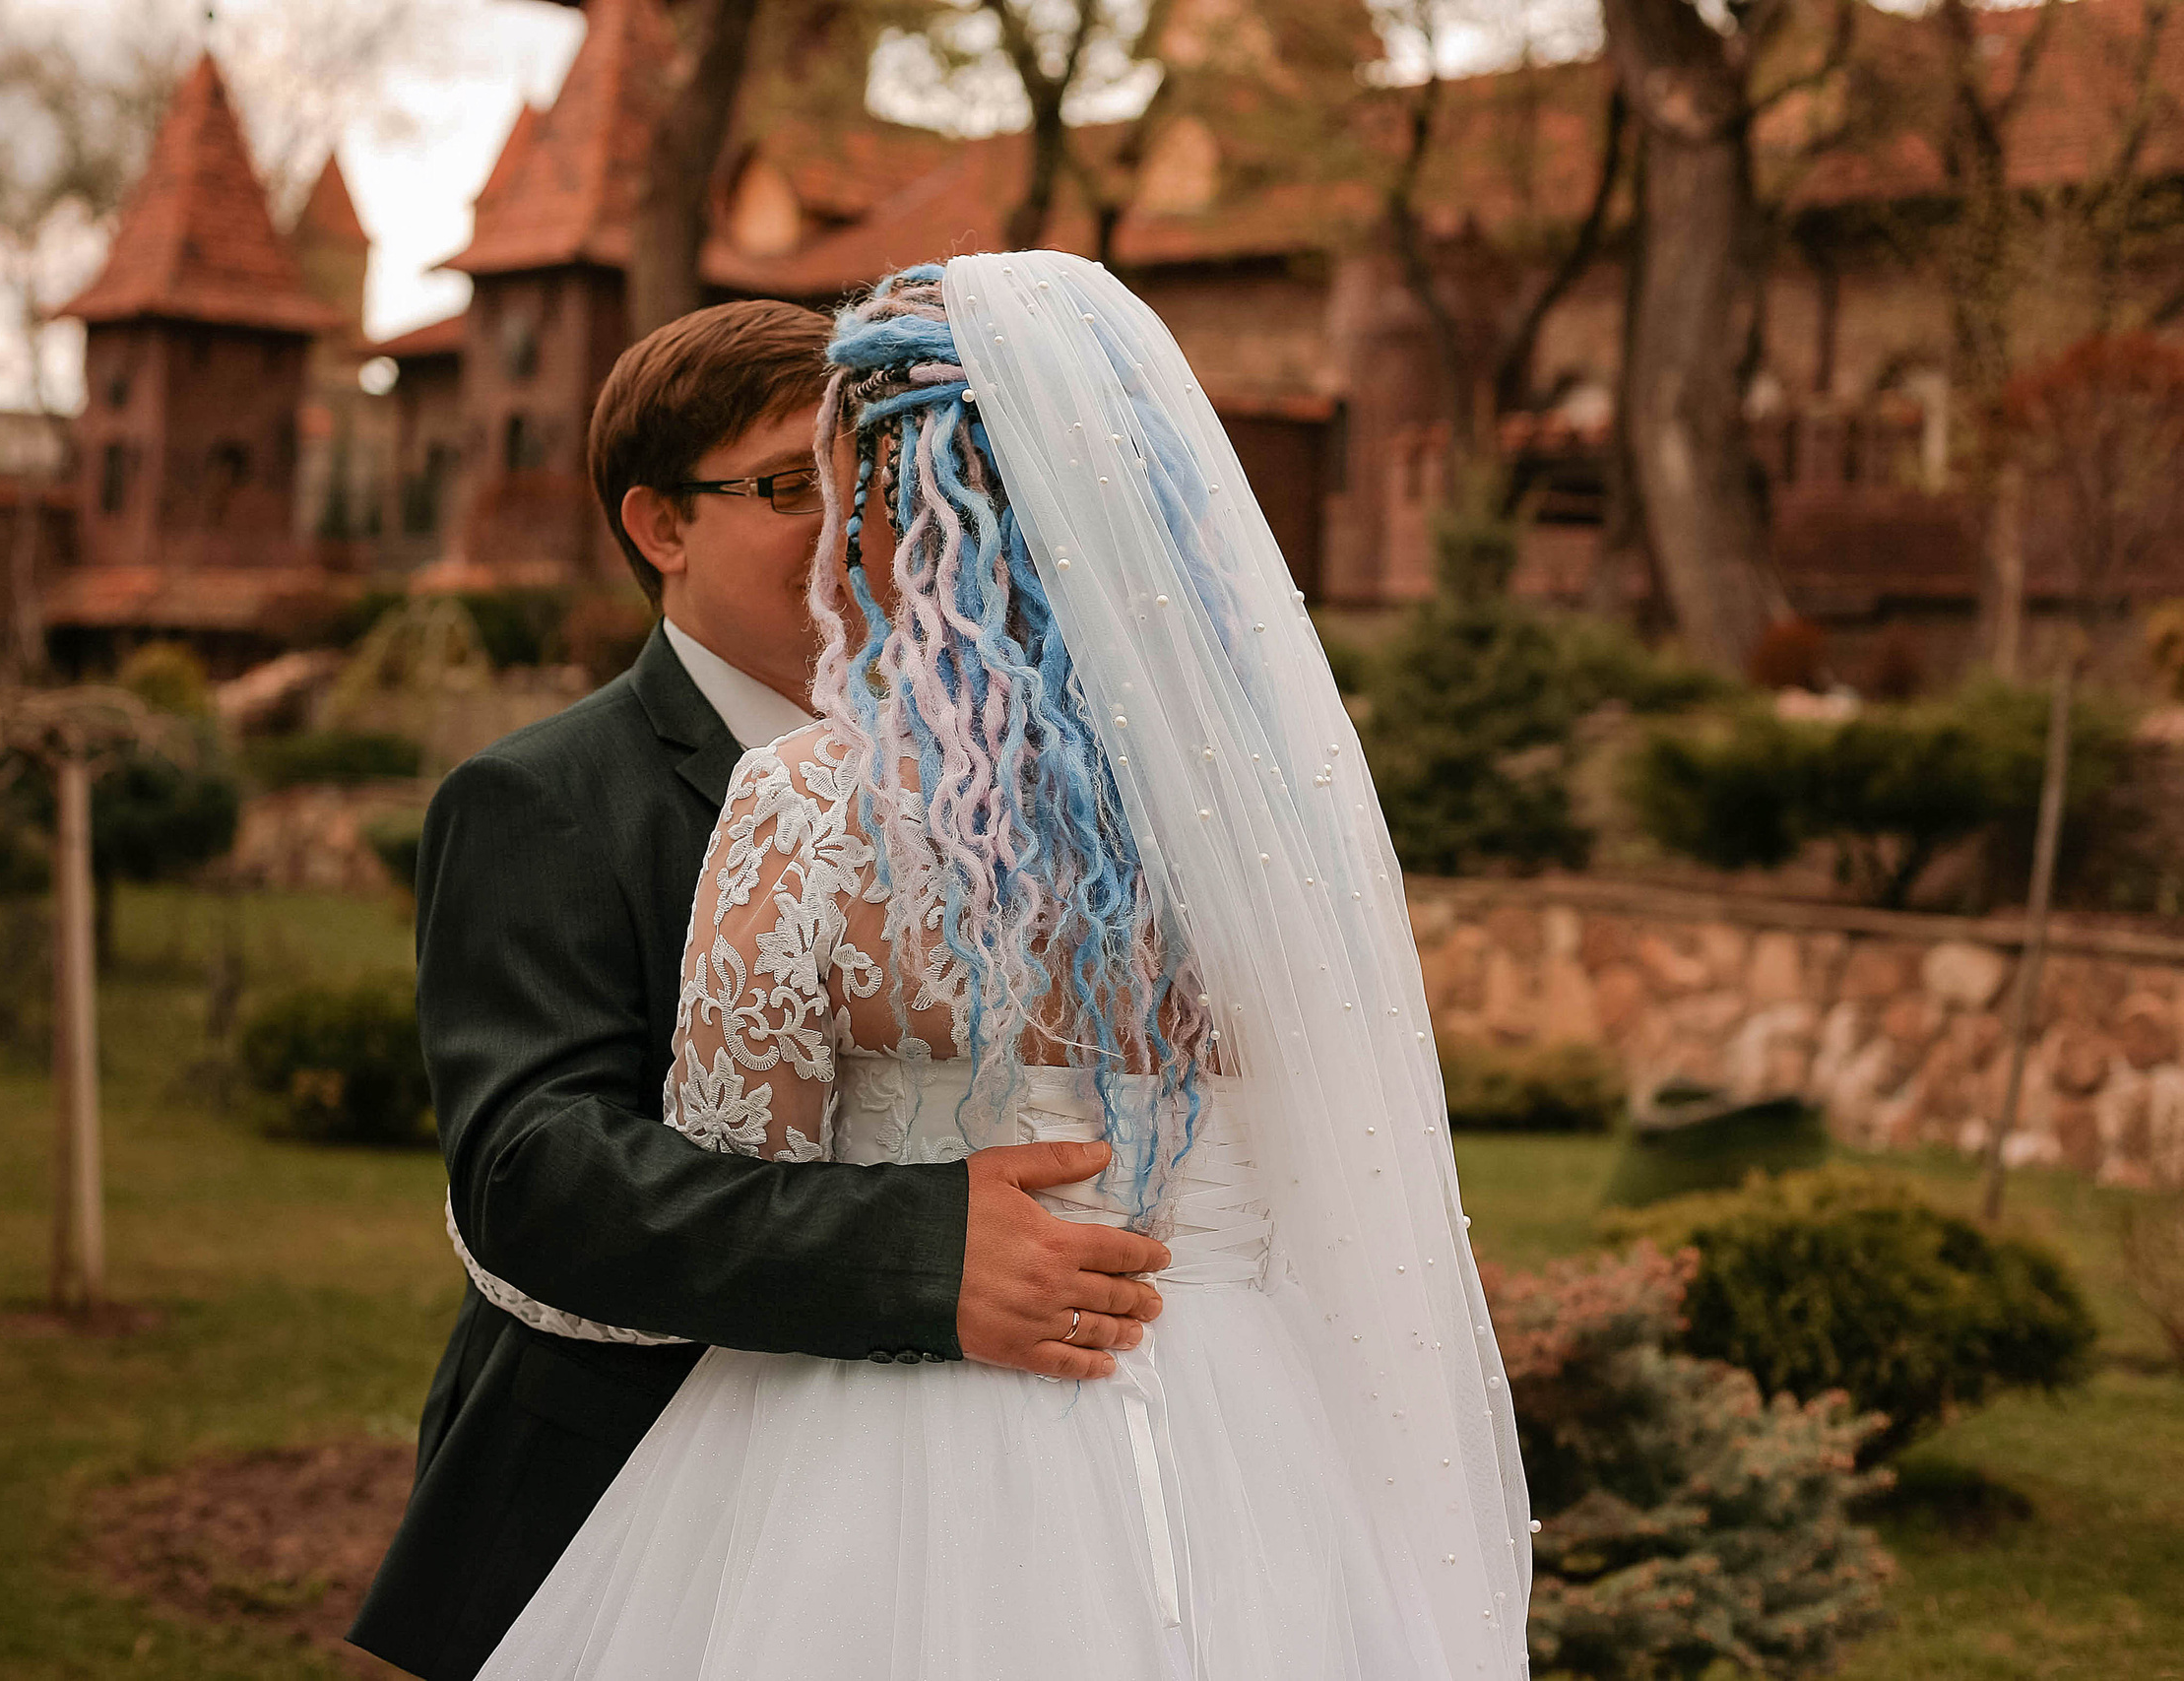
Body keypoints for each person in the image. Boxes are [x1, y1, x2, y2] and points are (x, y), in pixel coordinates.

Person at [474, 252, 1535, 1680]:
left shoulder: (809, 808)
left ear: (902, 527)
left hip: (873, 1456)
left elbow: (738, 1168)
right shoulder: (1275, 827)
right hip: (1253, 1448)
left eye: (835, 494)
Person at [348, 297, 1173, 1681]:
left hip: (1005, 1493)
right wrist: (926, 1251)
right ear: (661, 526)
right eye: (794, 487)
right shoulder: (541, 800)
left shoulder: (1020, 793)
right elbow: (534, 1175)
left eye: (874, 481)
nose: (855, 522)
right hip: (611, 1489)